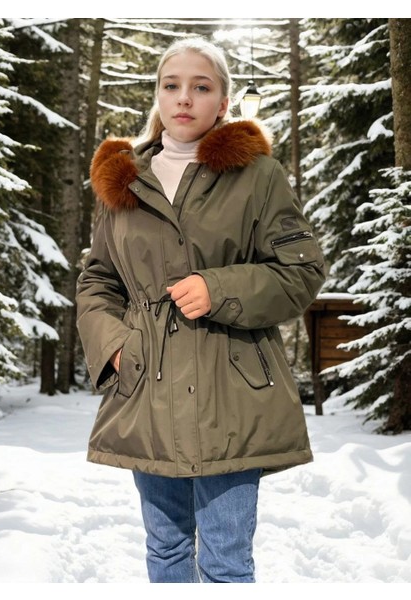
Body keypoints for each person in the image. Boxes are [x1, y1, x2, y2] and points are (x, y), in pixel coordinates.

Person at [76, 37, 325, 583]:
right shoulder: (122, 180)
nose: (184, 97)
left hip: (232, 392)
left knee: (226, 561)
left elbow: (302, 270)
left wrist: (220, 288)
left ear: (223, 102)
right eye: (172, 85)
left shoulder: (257, 176)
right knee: (164, 550)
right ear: (158, 96)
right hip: (147, 388)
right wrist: (114, 347)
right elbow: (98, 281)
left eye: (201, 86)